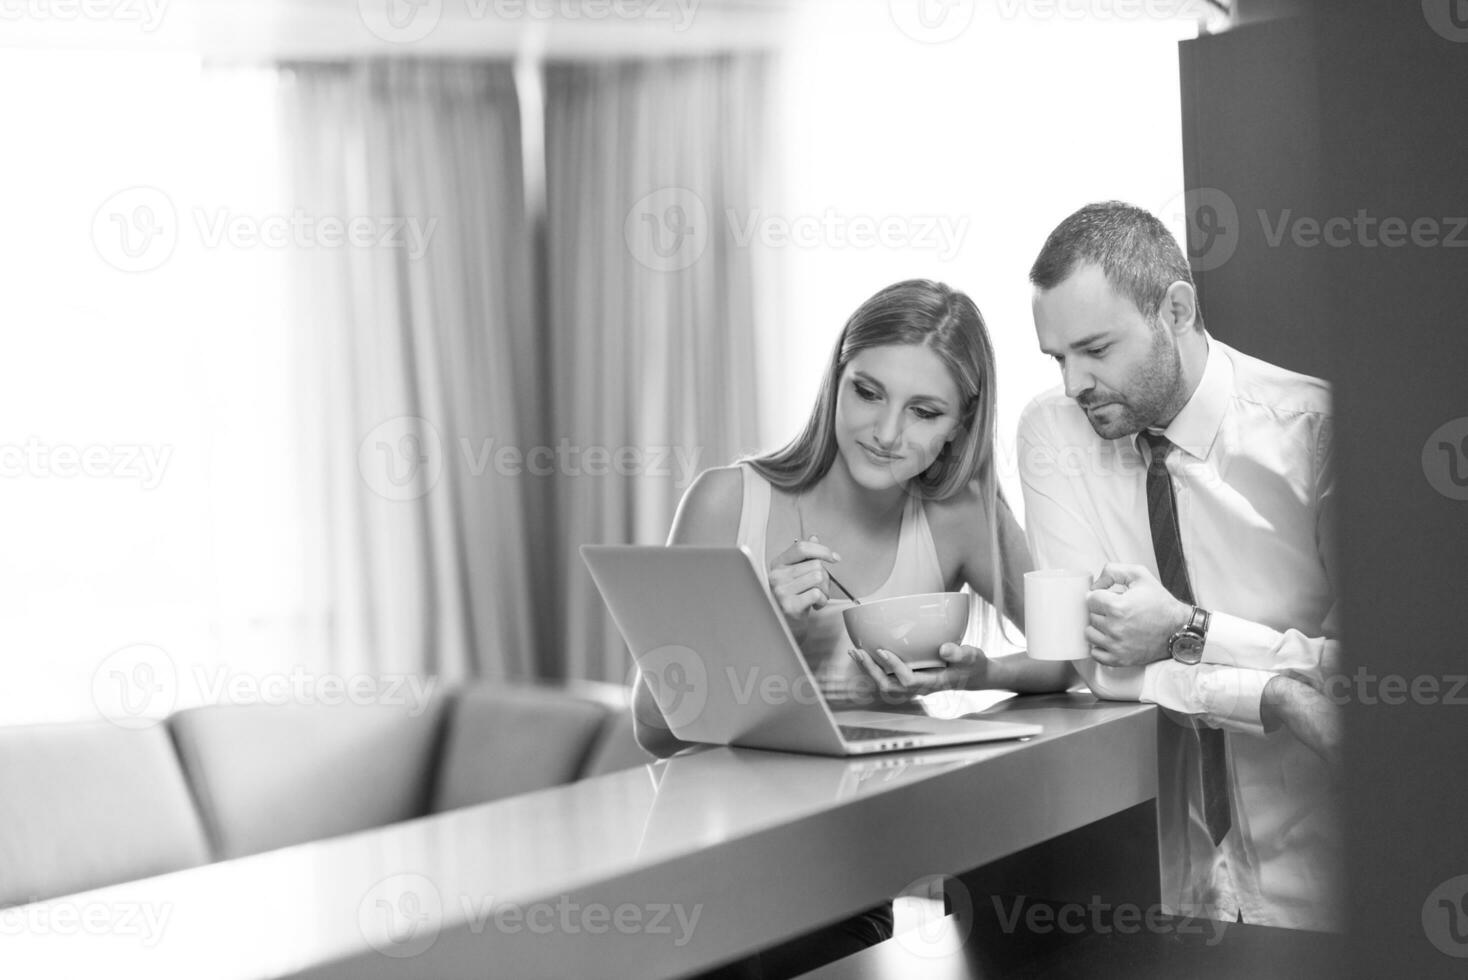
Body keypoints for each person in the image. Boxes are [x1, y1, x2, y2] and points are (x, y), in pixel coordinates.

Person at [631, 278, 1067, 977]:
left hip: (846, 869)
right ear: (837, 377)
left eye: (924, 411)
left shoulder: (957, 515)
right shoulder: (725, 499)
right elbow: (653, 724)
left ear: (960, 423)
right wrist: (757, 618)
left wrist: (979, 673)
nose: (887, 433)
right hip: (704, 861)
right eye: (868, 392)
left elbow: (1062, 655)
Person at [1016, 201, 1343, 931]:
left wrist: (1187, 629)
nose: (1074, 384)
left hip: (1323, 879)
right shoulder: (1052, 435)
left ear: (1177, 309)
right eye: (1058, 358)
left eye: (1096, 349)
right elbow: (1091, 661)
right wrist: (1274, 696)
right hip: (1162, 887)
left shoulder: (1317, 436)